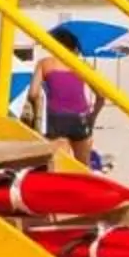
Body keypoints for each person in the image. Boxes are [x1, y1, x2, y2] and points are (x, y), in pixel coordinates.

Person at [36, 24, 101, 171]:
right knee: (83, 166)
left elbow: (33, 93)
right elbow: (101, 95)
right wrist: (93, 117)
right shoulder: (82, 65)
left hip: (56, 117)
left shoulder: (45, 63)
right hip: (80, 116)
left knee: (60, 167)